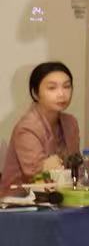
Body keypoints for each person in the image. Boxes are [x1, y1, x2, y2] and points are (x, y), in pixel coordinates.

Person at [4, 62, 79, 192]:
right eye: (52, 88)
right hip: (21, 198)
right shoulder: (27, 128)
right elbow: (36, 174)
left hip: (60, 193)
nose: (61, 94)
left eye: (66, 86)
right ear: (35, 93)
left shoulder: (70, 122)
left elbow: (75, 165)